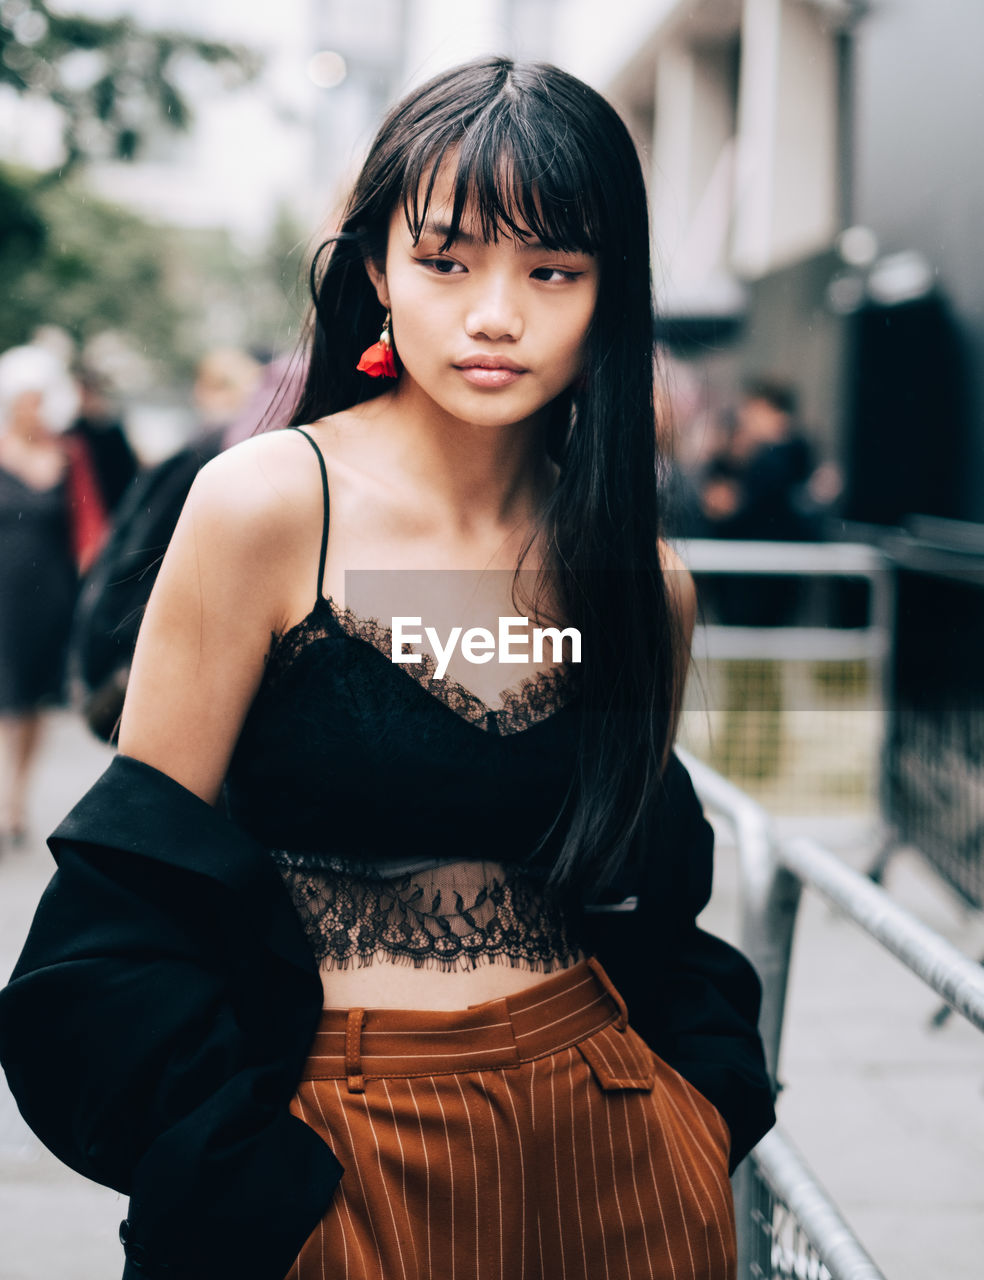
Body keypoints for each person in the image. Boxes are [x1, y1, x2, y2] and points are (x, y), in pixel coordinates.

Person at [0, 58, 775, 1279]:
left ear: (611, 294)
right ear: (375, 271)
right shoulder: (267, 504)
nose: (495, 314)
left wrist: (697, 1116)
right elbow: (132, 890)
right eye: (448, 259)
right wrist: (243, 1177)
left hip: (609, 1145)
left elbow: (644, 899)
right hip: (330, 1150)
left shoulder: (641, 577)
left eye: (553, 270)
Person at [0, 344, 83, 852]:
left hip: (50, 594)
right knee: (6, 698)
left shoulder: (68, 455)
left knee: (32, 698)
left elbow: (88, 526)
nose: (34, 408)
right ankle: (3, 797)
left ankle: (17, 798)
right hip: (2, 592)